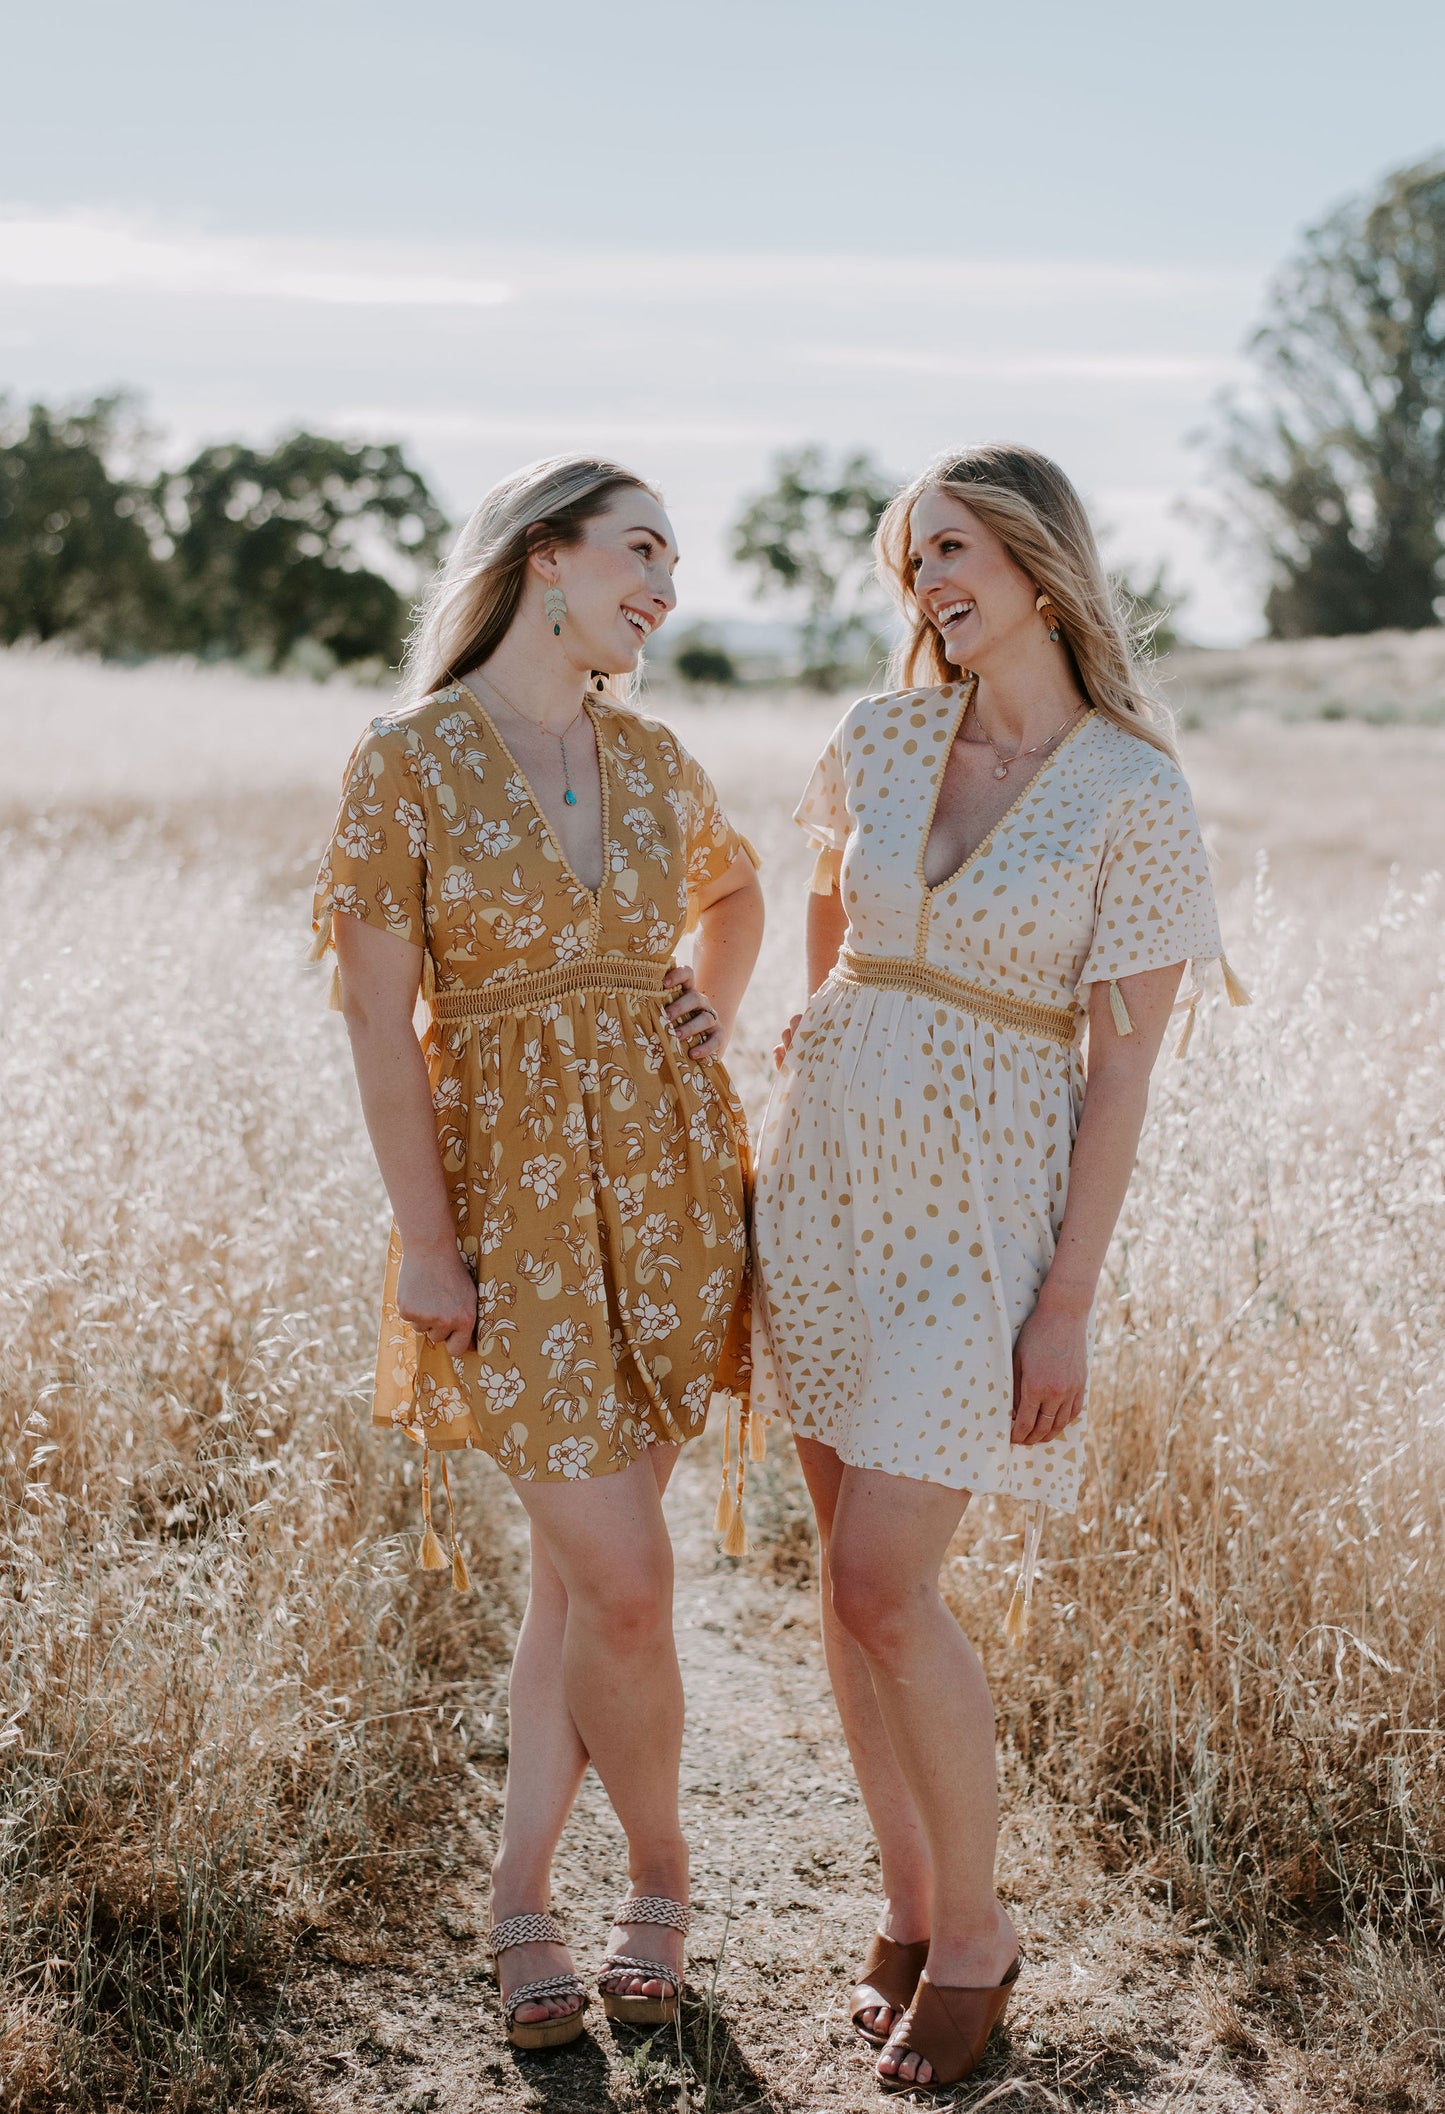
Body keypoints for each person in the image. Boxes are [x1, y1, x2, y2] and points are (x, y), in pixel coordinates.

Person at [751, 443, 1246, 2092]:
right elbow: (830, 931)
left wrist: (1067, 1299)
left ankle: (976, 1933)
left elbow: (1122, 1077)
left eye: (947, 550)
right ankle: (903, 1908)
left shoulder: (1134, 794)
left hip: (983, 1234)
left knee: (890, 1578)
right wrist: (799, 1055)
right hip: (820, 1197)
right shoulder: (879, 738)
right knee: (839, 1577)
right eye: (911, 564)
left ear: (1037, 560)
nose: (925, 585)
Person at [311, 457, 764, 2051]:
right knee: (624, 1584)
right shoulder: (410, 762)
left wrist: (714, 986)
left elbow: (737, 882)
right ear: (541, 559)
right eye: (638, 549)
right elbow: (376, 1018)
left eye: (671, 561)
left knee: (576, 1589)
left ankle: (523, 1899)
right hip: (508, 1227)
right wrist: (426, 1245)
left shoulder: (652, 757)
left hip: (667, 1202)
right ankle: (660, 1865)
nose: (660, 585)